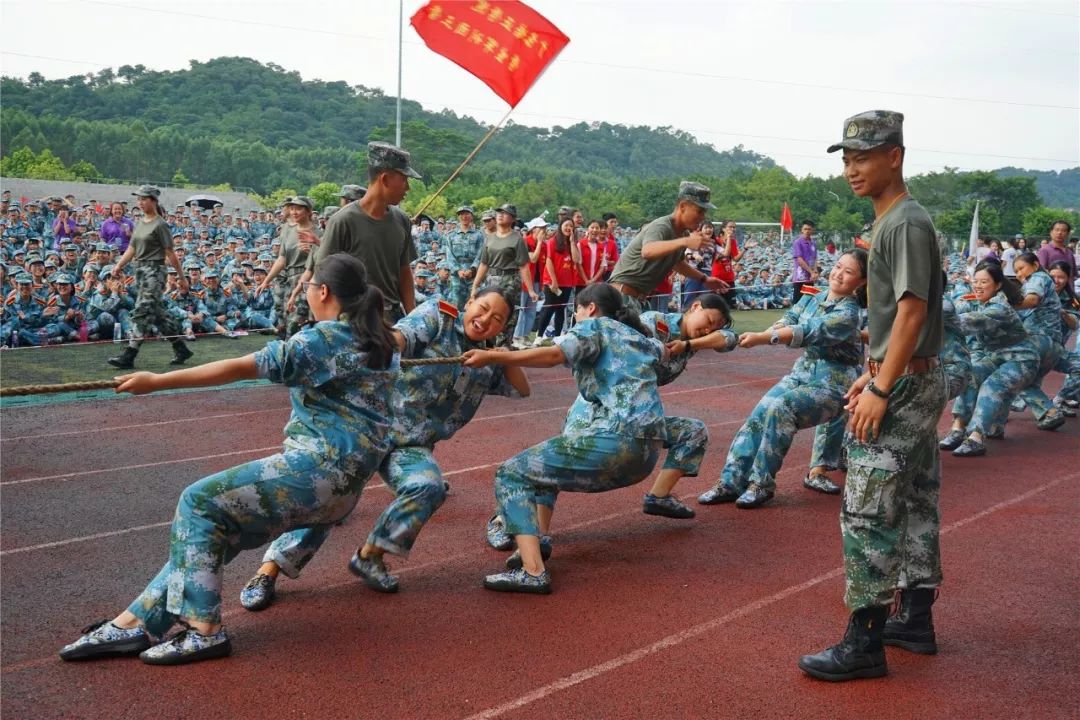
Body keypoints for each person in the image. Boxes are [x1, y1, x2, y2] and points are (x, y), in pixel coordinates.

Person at [58, 254, 397, 665]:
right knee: (216, 534)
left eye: (308, 285)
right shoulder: (379, 340)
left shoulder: (323, 340)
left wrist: (158, 382)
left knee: (199, 501)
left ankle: (205, 632)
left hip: (318, 473)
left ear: (322, 291)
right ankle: (135, 622)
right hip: (344, 488)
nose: (305, 292)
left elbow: (240, 366)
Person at [236, 287, 529, 608]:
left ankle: (370, 556)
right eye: (483, 308)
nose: (485, 320)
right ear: (469, 302)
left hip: (410, 446)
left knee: (429, 487)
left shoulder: (488, 363)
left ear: (503, 328)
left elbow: (522, 389)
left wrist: (500, 354)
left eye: (497, 319)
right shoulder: (439, 316)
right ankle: (269, 570)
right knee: (329, 498)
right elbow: (402, 338)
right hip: (370, 427)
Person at [799, 111, 947, 682]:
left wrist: (882, 384)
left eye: (864, 157)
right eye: (846, 159)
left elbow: (912, 309)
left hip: (904, 383)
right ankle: (914, 619)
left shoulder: (903, 222)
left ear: (896, 156)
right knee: (914, 500)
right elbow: (902, 319)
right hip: (909, 373)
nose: (852, 169)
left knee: (866, 507)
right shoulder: (893, 221)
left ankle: (863, 644)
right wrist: (875, 370)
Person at [463, 283, 690, 594]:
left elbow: (556, 354)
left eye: (578, 310)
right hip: (646, 454)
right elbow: (667, 353)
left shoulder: (594, 326)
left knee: (512, 473)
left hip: (614, 439)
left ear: (591, 308)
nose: (577, 316)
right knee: (541, 470)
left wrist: (496, 357)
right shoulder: (641, 339)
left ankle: (532, 572)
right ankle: (535, 542)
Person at [485, 292, 733, 551]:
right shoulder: (654, 322)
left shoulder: (691, 342)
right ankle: (513, 524)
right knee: (545, 468)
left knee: (692, 431)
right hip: (593, 408)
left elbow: (729, 339)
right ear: (694, 307)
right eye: (709, 320)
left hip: (631, 413)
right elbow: (613, 338)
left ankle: (658, 498)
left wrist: (689, 345)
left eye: (714, 327)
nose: (709, 329)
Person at [698, 250, 867, 509]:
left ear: (862, 282)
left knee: (782, 409)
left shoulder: (848, 313)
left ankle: (761, 484)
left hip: (835, 383)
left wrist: (763, 339)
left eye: (848, 272)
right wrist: (767, 331)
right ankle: (731, 481)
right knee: (759, 413)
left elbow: (808, 331)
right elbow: (790, 318)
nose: (838, 274)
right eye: (838, 266)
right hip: (803, 372)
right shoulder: (814, 295)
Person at [289, 142, 421, 323]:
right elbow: (321, 278)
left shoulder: (402, 220)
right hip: (354, 319)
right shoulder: (343, 221)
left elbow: (404, 271)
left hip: (393, 318)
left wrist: (412, 317)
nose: (407, 188)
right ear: (384, 179)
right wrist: (329, 325)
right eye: (404, 179)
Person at [937, 261, 1038, 456]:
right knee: (972, 374)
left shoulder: (999, 308)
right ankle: (958, 428)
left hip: (1022, 359)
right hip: (996, 356)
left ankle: (975, 436)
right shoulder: (974, 300)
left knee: (992, 386)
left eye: (984, 282)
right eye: (975, 281)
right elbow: (956, 307)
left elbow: (965, 322)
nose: (977, 286)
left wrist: (933, 313)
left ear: (998, 285)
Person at [607, 181, 728, 314]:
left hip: (637, 299)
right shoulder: (662, 226)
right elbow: (647, 251)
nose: (702, 217)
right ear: (682, 206)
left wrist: (704, 279)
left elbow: (677, 263)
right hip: (622, 296)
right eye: (699, 211)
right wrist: (684, 242)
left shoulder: (682, 233)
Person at [106, 186, 192, 369]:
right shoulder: (140, 223)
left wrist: (182, 277)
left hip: (155, 271)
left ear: (153, 200)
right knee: (158, 315)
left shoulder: (160, 225)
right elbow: (132, 248)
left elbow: (170, 252)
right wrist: (119, 265)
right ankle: (181, 347)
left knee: (143, 310)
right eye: (139, 199)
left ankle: (129, 354)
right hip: (141, 270)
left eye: (144, 199)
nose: (140, 202)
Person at [1007, 252, 1069, 430]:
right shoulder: (1036, 282)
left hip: (1039, 340)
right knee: (1028, 381)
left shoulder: (1038, 278)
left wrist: (1004, 303)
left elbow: (1032, 301)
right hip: (1051, 344)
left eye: (1021, 268)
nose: (1019, 274)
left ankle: (1050, 411)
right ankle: (1048, 414)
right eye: (1016, 271)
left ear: (1035, 265)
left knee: (1014, 375)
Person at [471, 203, 538, 347]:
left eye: (505, 213)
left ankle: (504, 348)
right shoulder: (489, 238)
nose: (500, 215)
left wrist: (531, 290)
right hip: (491, 280)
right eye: (499, 212)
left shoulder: (517, 239)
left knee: (505, 315)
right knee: (487, 312)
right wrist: (475, 285)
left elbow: (523, 266)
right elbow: (484, 264)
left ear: (513, 219)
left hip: (510, 280)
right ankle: (488, 346)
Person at [260, 196, 319, 338]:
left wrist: (314, 249)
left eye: (299, 208)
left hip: (306, 279)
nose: (294, 212)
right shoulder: (287, 229)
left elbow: (321, 262)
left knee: (297, 321)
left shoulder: (318, 233)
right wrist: (266, 281)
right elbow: (282, 258)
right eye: (292, 208)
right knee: (284, 318)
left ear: (308, 211)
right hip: (289, 279)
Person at [444, 206, 485, 309]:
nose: (464, 216)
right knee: (455, 306)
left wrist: (472, 269)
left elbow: (481, 254)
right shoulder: (451, 236)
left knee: (474, 304)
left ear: (471, 216)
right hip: (457, 277)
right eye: (461, 214)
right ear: (458, 217)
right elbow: (449, 256)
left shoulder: (479, 235)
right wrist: (458, 270)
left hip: (474, 275)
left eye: (467, 213)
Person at [790, 220, 820, 303]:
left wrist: (815, 271)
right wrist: (811, 272)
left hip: (810, 278)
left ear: (812, 230)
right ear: (802, 230)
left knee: (808, 302)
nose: (807, 231)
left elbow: (814, 259)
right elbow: (799, 260)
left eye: (809, 229)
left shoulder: (813, 243)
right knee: (798, 302)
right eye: (805, 229)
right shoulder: (797, 242)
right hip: (800, 278)